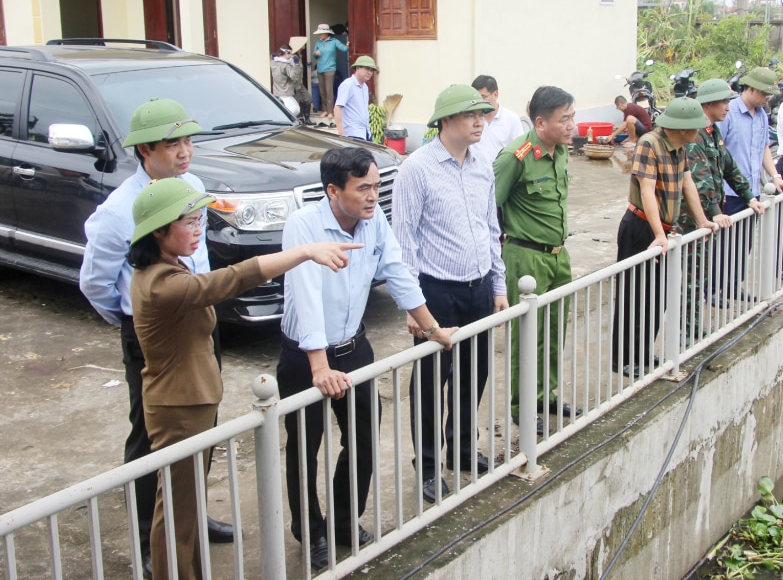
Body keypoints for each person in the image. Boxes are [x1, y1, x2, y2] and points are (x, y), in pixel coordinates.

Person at [128, 177, 357, 580]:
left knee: (188, 506)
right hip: (177, 408)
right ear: (159, 231)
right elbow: (231, 279)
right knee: (178, 513)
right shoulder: (162, 284)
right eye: (190, 223)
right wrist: (303, 252)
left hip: (191, 402)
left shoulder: (168, 267)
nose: (198, 231)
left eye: (201, 221)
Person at [277, 146, 456, 571]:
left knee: (361, 439)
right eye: (364, 188)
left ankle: (343, 521)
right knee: (305, 447)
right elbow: (306, 298)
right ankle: (311, 531)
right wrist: (319, 366)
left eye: (377, 186)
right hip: (305, 354)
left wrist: (432, 329)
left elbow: (398, 273)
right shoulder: (304, 226)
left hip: (354, 347)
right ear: (333, 190)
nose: (374, 195)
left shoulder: (373, 224)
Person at [79, 98, 233, 578]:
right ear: (145, 149)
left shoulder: (192, 187)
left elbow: (201, 254)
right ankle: (153, 536)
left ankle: (188, 517)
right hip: (154, 330)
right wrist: (131, 319)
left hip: (199, 316)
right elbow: (96, 282)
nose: (185, 152)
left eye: (189, 141)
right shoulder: (119, 211)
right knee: (150, 435)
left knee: (202, 423)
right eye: (173, 144)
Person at [392, 84, 508, 504]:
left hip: (478, 287)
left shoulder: (482, 166)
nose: (479, 121)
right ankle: (426, 465)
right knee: (429, 382)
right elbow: (404, 242)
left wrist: (498, 284)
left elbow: (491, 229)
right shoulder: (416, 169)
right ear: (445, 121)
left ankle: (461, 448)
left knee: (474, 372)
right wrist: (413, 306)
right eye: (469, 114)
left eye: (482, 113)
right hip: (436, 291)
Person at [493, 86, 580, 436]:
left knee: (554, 330)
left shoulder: (560, 151)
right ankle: (522, 405)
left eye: (572, 116)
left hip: (559, 255)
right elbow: (491, 207)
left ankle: (546, 394)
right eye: (565, 119)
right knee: (526, 336)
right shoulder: (516, 156)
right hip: (525, 257)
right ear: (540, 122)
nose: (572, 125)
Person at [612, 97, 711, 378]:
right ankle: (623, 359)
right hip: (640, 226)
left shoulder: (680, 148)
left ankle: (643, 353)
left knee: (658, 295)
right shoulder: (650, 144)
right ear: (682, 128)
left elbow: (687, 183)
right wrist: (658, 233)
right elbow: (647, 190)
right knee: (633, 295)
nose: (699, 130)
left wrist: (702, 219)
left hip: (664, 230)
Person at [681, 80, 765, 322]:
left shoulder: (712, 131)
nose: (728, 107)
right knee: (692, 280)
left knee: (701, 276)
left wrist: (749, 196)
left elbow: (729, 166)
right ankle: (688, 331)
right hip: (693, 218)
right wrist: (714, 212)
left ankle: (693, 328)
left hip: (708, 215)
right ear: (707, 104)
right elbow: (701, 179)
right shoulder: (696, 135)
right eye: (723, 102)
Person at [718, 67, 783, 295]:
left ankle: (733, 285)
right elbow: (716, 151)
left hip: (752, 191)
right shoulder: (728, 113)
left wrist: (775, 176)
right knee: (725, 243)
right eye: (764, 94)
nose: (766, 99)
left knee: (744, 242)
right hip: (729, 192)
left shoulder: (761, 115)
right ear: (750, 89)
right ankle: (716, 287)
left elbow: (764, 149)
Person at [471, 74, 526, 163]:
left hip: (503, 172)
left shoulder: (511, 119)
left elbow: (521, 150)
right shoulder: (471, 120)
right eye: (476, 98)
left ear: (495, 94)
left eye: (483, 97)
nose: (479, 102)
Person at [334, 55, 379, 140]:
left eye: (372, 70)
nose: (370, 72)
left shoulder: (365, 87)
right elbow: (337, 108)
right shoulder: (348, 85)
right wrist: (341, 132)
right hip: (352, 132)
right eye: (367, 69)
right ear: (358, 68)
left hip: (365, 132)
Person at [313, 23, 349, 118]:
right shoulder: (318, 43)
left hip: (330, 68)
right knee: (322, 91)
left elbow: (344, 49)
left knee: (329, 90)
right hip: (320, 69)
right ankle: (325, 110)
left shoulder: (334, 41)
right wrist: (316, 54)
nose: (320, 35)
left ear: (326, 33)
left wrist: (347, 45)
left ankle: (331, 111)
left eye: (321, 33)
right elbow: (314, 55)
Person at [270, 44, 312, 124]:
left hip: (277, 92)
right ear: (286, 53)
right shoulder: (286, 65)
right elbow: (294, 77)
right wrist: (296, 65)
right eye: (289, 54)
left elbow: (272, 58)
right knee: (294, 110)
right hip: (286, 93)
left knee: (284, 110)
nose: (290, 56)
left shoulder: (273, 62)